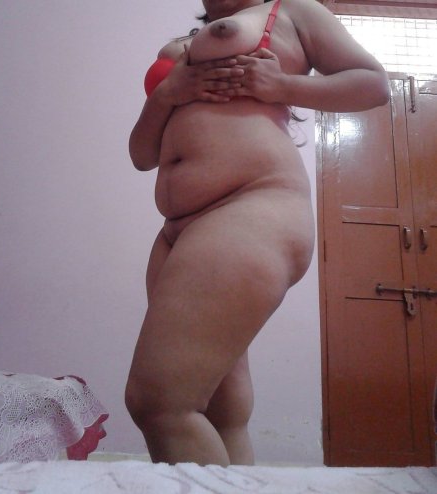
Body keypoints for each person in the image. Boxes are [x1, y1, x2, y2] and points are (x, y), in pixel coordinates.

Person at [125, 0, 389, 467]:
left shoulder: (293, 9)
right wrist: (167, 94)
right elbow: (142, 156)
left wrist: (281, 85)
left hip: (251, 206)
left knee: (161, 404)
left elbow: (372, 84)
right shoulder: (183, 48)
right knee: (220, 411)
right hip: (177, 232)